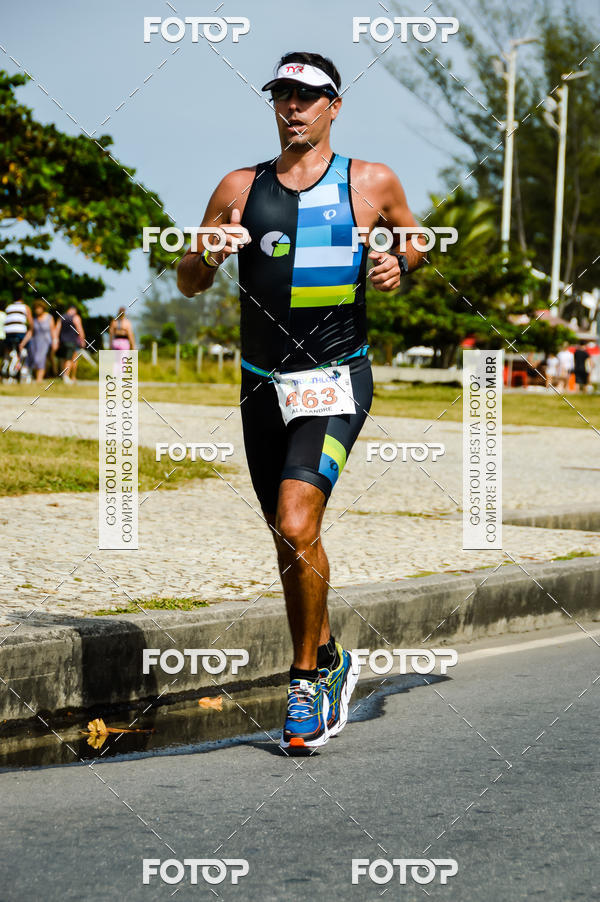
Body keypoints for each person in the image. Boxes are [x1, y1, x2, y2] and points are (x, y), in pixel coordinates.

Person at [177, 51, 425, 751]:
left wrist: (396, 263)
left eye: (308, 96)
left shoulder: (369, 181)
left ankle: (305, 681)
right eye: (283, 94)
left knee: (295, 517)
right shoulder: (239, 186)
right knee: (291, 538)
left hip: (337, 377)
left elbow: (414, 237)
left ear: (334, 107)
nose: (294, 106)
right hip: (262, 384)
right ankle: (334, 656)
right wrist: (209, 257)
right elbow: (188, 279)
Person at [20, 302, 55, 382]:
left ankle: (39, 380)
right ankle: (35, 379)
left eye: (38, 308)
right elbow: (30, 332)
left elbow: (53, 331)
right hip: (34, 342)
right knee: (32, 360)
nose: (37, 310)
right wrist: (23, 343)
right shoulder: (34, 319)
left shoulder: (49, 317)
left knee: (40, 359)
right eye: (36, 308)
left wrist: (55, 341)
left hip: (45, 342)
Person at [55, 304, 85, 383]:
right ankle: (66, 376)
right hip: (72, 341)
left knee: (63, 358)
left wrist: (56, 340)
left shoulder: (61, 317)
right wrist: (82, 340)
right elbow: (80, 330)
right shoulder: (76, 317)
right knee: (70, 359)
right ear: (74, 310)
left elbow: (57, 329)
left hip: (62, 341)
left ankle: (63, 376)